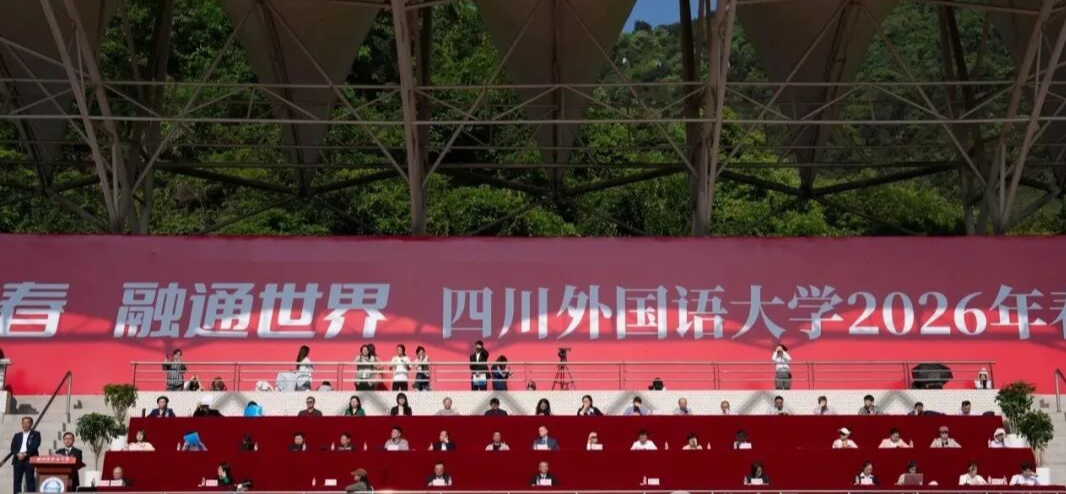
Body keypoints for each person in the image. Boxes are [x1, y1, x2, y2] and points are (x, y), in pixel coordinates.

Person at [10, 416, 40, 494]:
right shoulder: (17, 435)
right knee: (17, 481)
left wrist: (25, 454)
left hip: (29, 459)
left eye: (27, 422)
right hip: (18, 459)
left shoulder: (36, 434)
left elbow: (35, 446)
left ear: (31, 424)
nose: (25, 424)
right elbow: (12, 447)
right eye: (24, 423)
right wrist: (17, 454)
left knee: (30, 481)